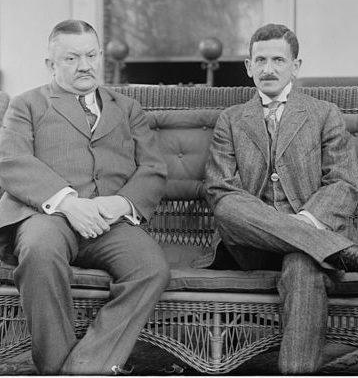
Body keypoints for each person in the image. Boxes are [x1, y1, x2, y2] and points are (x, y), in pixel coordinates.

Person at [0, 20, 170, 375]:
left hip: (110, 221)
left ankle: (82, 369)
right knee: (39, 254)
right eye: (72, 57)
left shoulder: (127, 107)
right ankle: (54, 366)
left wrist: (120, 203)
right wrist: (69, 203)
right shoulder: (26, 105)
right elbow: (11, 160)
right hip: (47, 217)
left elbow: (153, 167)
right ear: (51, 65)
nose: (85, 65)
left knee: (151, 268)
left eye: (91, 55)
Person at [205, 23, 358, 374]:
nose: (268, 69)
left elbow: (343, 183)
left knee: (304, 265)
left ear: (296, 66)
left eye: (278, 59)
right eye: (260, 60)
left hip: (306, 239)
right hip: (248, 245)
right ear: (248, 67)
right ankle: (336, 250)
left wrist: (303, 224)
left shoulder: (323, 114)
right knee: (228, 204)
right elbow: (219, 189)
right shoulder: (230, 120)